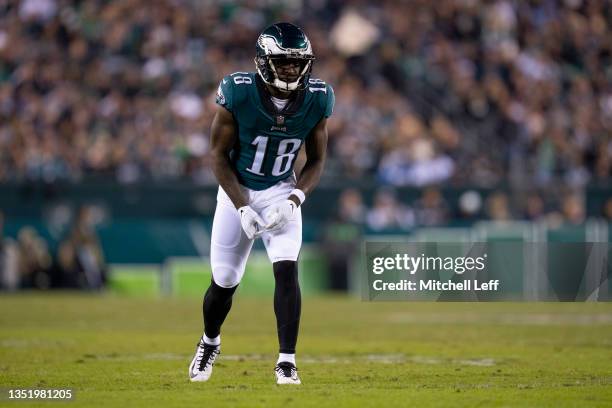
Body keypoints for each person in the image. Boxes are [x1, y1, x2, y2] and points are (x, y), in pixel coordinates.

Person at [188, 22, 334, 385]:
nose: (290, 69)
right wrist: (242, 207)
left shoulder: (317, 97)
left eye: (296, 63)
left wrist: (295, 199)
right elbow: (218, 157)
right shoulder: (237, 92)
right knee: (224, 280)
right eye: (283, 62)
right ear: (264, 61)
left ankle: (287, 360)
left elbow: (316, 160)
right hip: (237, 188)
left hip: (281, 190)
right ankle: (209, 341)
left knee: (286, 268)